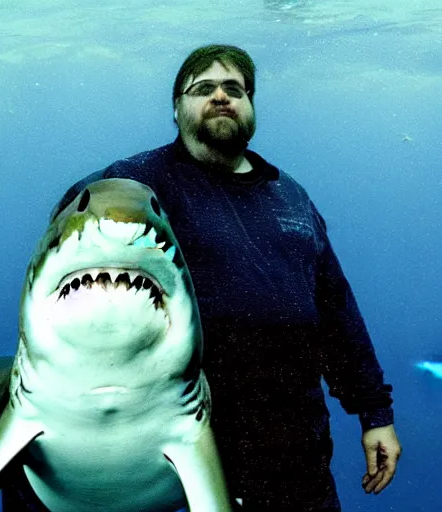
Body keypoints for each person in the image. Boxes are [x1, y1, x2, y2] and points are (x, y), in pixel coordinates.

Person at [49, 44, 402, 511]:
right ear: (176, 108)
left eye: (234, 89)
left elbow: (337, 313)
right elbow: (61, 257)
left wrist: (374, 412)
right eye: (203, 88)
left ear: (251, 105)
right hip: (188, 456)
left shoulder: (291, 196)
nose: (221, 97)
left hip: (297, 456)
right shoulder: (136, 184)